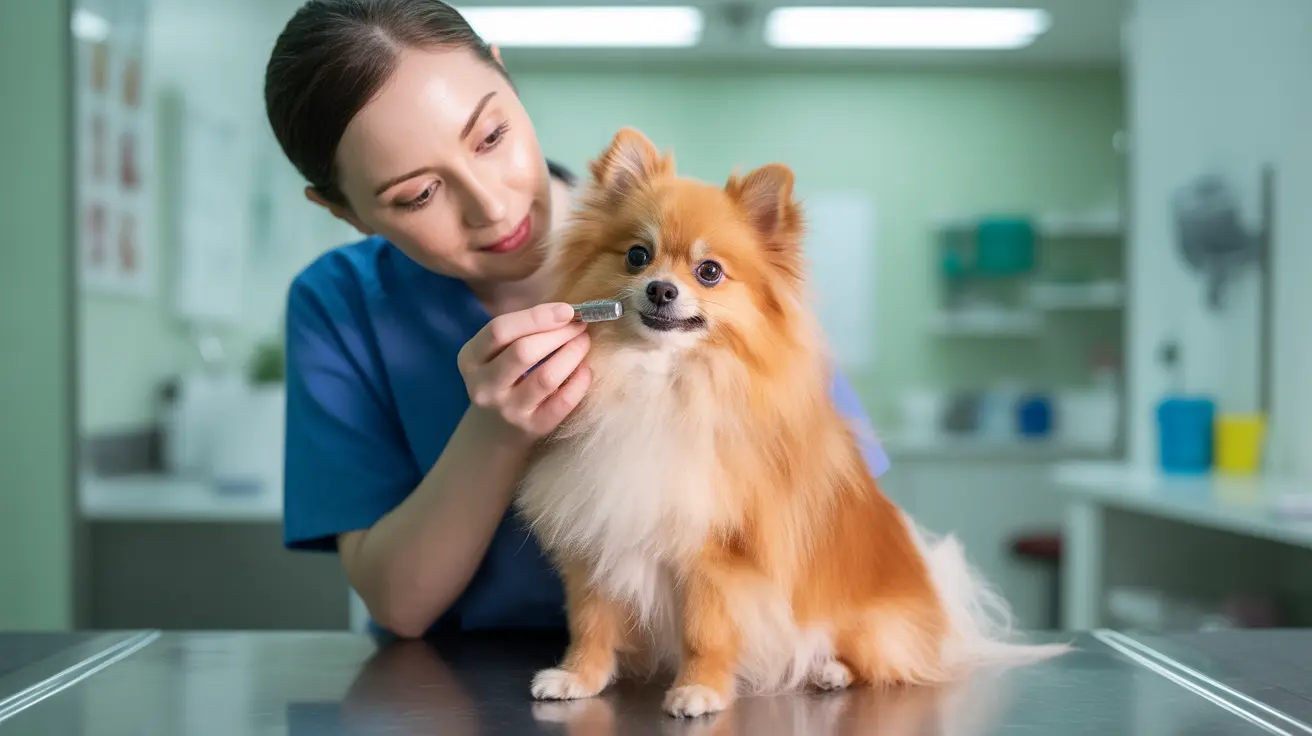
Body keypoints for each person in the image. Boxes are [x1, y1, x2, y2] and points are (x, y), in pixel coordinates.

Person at [267, 0, 891, 639]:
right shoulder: (339, 305)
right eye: (419, 195)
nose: (491, 205)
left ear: (506, 76)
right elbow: (399, 605)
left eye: (491, 137)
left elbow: (841, 525)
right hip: (454, 679)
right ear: (347, 213)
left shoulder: (727, 266)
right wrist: (496, 433)